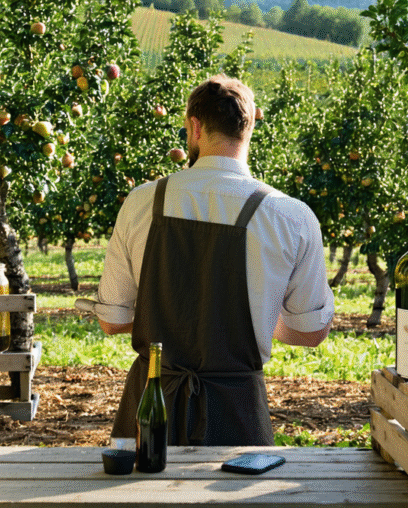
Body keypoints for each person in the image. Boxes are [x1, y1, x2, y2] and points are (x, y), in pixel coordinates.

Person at [95, 74, 335, 446]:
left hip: (150, 410)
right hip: (237, 413)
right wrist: (262, 321)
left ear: (194, 126)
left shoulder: (142, 202)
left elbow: (112, 321)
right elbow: (312, 331)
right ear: (251, 124)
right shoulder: (291, 216)